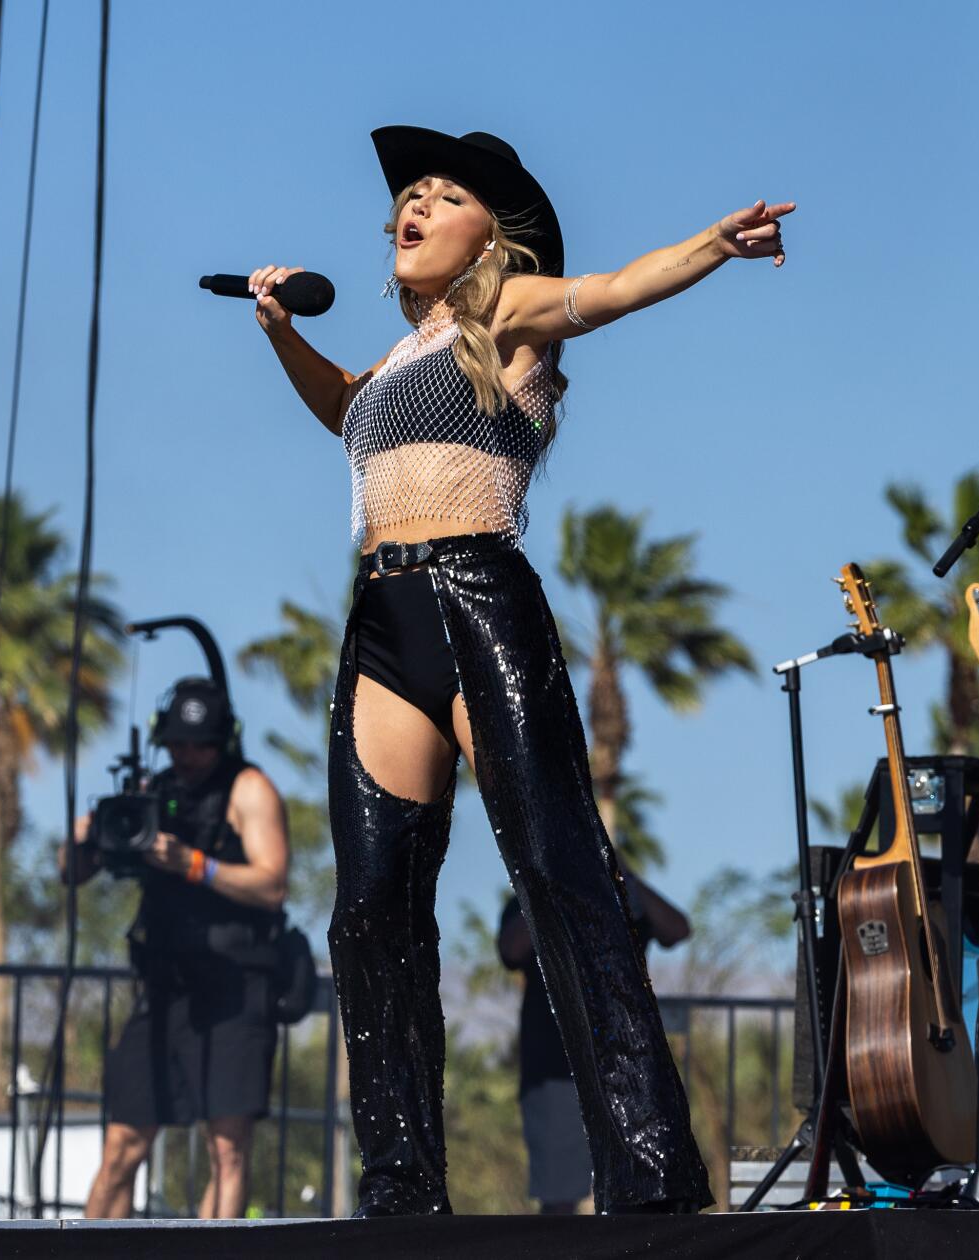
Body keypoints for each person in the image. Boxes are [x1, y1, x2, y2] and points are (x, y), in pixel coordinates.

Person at [243, 125, 792, 1215]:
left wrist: (712, 245)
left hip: (477, 598)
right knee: (370, 910)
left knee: (557, 868)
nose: (414, 204)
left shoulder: (507, 312)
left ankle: (646, 1171)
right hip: (382, 618)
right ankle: (401, 1188)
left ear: (491, 236)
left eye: (442, 197)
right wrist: (276, 334)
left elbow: (617, 288)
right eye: (409, 193)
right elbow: (344, 411)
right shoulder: (396, 362)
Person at [67, 677, 291, 1218]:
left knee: (227, 1148)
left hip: (235, 989)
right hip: (165, 988)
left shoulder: (249, 789)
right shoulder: (151, 793)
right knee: (122, 1144)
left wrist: (193, 864)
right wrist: (90, 837)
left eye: (201, 745)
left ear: (223, 740)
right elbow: (72, 873)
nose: (189, 756)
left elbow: (273, 884)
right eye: (179, 745)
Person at [498, 871, 691, 1214]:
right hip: (555, 1066)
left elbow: (677, 929)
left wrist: (621, 872)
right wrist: (548, 884)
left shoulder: (621, 891)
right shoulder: (535, 889)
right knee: (559, 1193)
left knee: (643, 1186)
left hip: (626, 1066)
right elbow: (512, 948)